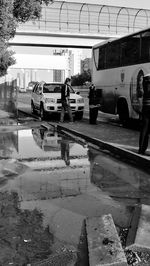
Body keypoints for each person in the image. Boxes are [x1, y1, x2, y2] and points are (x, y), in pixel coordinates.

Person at [138, 74, 150, 155]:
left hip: (145, 107)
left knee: (144, 129)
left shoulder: (144, 79)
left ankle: (141, 149)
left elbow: (140, 94)